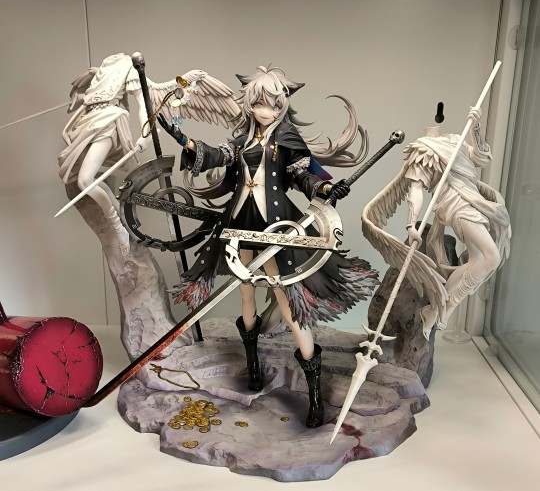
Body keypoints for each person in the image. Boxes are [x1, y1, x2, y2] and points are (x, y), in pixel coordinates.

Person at [159, 65, 379, 428]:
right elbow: (217, 155)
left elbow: (303, 174)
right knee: (245, 293)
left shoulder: (286, 138)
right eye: (262, 103)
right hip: (239, 221)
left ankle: (314, 392)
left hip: (275, 226)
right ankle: (252, 366)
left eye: (276, 104)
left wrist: (325, 188)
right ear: (250, 103)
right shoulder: (242, 140)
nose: (269, 111)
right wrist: (185, 141)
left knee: (288, 302)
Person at [362, 108, 511, 340]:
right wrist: (411, 225)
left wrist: (475, 128)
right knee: (492, 257)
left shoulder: (455, 140)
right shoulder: (422, 149)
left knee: (477, 260)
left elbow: (482, 159)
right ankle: (444, 308)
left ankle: (436, 309)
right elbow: (415, 190)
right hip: (455, 204)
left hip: (473, 201)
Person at [58, 53, 148, 256]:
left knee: (85, 180)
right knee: (88, 180)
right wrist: (82, 97)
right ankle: (124, 219)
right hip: (88, 122)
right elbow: (87, 99)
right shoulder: (101, 71)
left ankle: (117, 226)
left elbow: (143, 104)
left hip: (107, 122)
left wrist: (146, 135)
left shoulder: (128, 66)